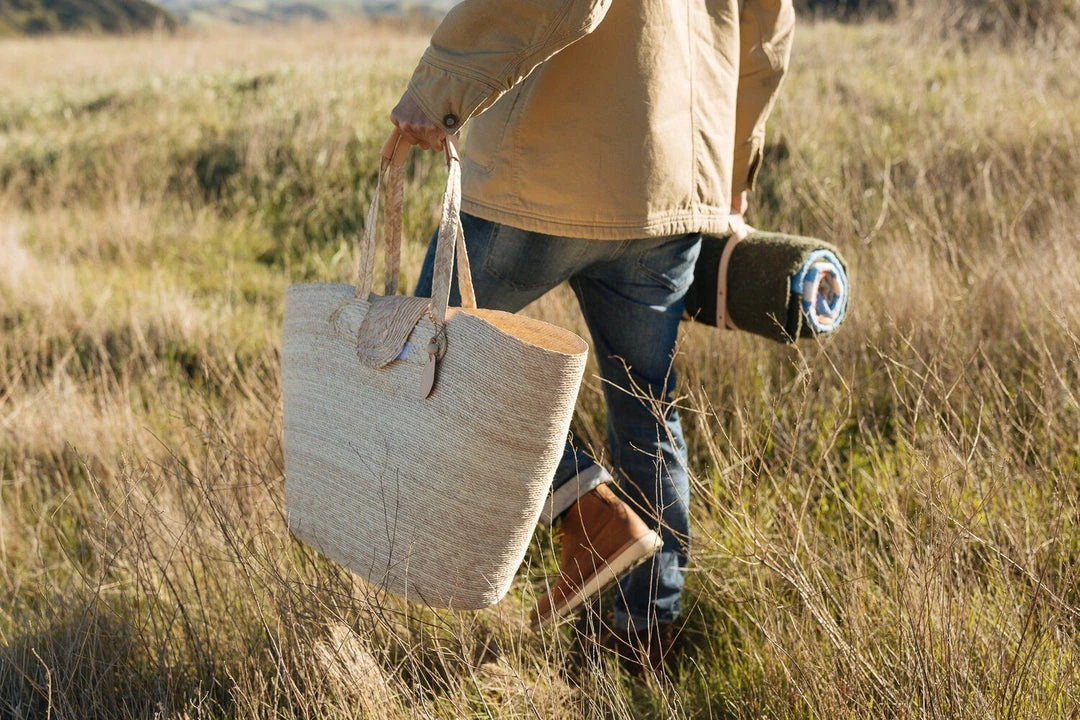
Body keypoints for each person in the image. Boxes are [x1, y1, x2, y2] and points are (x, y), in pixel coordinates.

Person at [390, 0, 794, 673]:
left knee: (423, 363)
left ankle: (585, 507)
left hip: (542, 170)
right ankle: (642, 643)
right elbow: (768, 30)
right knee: (647, 411)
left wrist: (442, 86)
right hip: (672, 183)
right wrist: (730, 171)